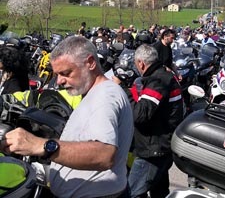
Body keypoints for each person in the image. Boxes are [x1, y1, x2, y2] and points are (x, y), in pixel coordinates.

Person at [1, 36, 133, 198]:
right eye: (57, 74)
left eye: (65, 73)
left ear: (90, 63)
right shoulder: (91, 92)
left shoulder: (104, 97)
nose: (59, 81)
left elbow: (104, 154)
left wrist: (39, 145)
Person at [114, 44, 184, 198]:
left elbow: (140, 114)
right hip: (163, 145)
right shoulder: (164, 76)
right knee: (159, 192)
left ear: (141, 63)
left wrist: (123, 90)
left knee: (130, 193)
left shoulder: (158, 81)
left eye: (135, 63)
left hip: (154, 150)